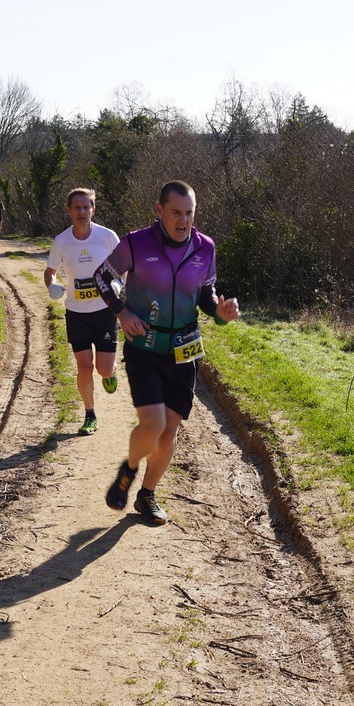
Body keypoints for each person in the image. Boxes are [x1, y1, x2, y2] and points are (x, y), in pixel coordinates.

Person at [93, 180, 241, 525]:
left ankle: (147, 495)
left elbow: (206, 293)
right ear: (159, 211)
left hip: (185, 349)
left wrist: (220, 313)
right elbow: (102, 277)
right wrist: (122, 312)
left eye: (189, 213)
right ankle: (129, 469)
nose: (183, 220)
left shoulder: (205, 248)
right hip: (144, 346)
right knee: (154, 424)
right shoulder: (136, 243)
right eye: (176, 212)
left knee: (169, 431)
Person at [44, 188, 121, 435]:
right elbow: (50, 271)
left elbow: (125, 265)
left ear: (93, 210)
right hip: (76, 314)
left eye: (86, 207)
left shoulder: (107, 237)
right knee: (84, 366)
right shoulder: (61, 241)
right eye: (77, 207)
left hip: (104, 311)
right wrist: (51, 285)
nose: (81, 212)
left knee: (103, 369)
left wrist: (119, 284)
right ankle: (90, 414)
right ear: (69, 211)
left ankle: (111, 373)